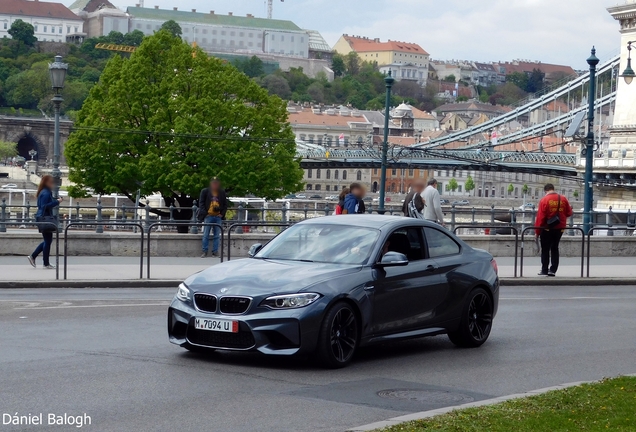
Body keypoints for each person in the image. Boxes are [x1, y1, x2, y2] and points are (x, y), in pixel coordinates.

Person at [535, 183, 573, 276]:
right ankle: (553, 270)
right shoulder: (563, 198)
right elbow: (569, 213)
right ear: (553, 189)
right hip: (560, 227)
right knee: (555, 248)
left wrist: (537, 232)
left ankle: (544, 270)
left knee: (545, 249)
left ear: (546, 191)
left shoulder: (544, 200)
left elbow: (541, 217)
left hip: (547, 228)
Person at [27, 175, 62, 269]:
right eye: (51, 182)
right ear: (46, 183)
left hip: (43, 218)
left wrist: (55, 201)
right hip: (45, 219)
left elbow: (44, 204)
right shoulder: (46, 192)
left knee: (47, 240)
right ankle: (44, 262)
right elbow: (44, 206)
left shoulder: (43, 192)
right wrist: (57, 202)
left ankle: (35, 257)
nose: (53, 184)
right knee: (48, 241)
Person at [197, 177, 227, 258]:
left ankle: (215, 252)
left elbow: (225, 204)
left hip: (218, 216)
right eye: (213, 183)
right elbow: (201, 203)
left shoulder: (221, 192)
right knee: (206, 234)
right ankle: (204, 251)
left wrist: (222, 214)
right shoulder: (205, 191)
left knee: (217, 235)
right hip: (208, 215)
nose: (215, 184)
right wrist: (205, 213)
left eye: (216, 183)